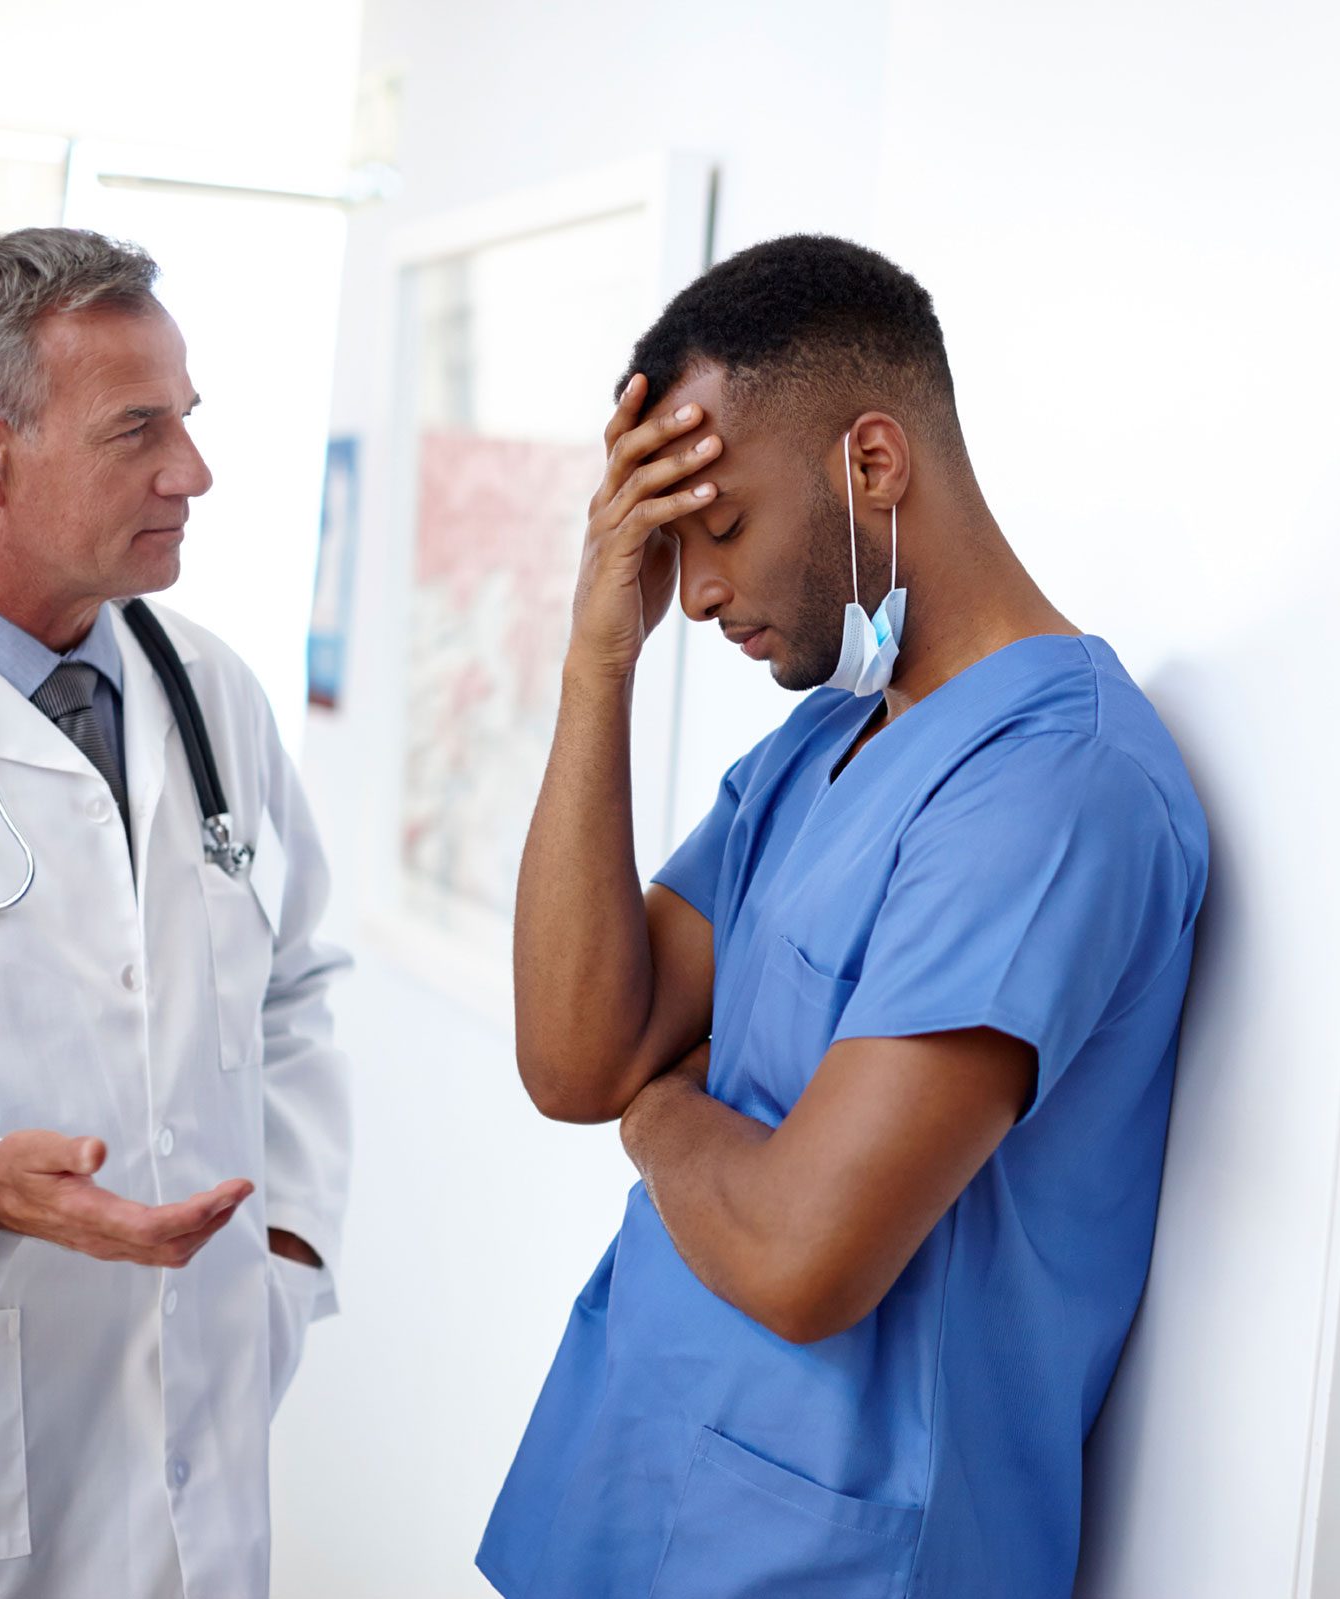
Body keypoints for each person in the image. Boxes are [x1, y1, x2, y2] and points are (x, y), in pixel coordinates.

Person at [478, 235, 1208, 1599]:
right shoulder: (820, 750)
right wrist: (596, 661)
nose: (694, 595)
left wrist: (664, 1114)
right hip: (628, 1497)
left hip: (834, 1558)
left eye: (723, 529)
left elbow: (800, 1255)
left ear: (872, 464)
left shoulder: (1057, 789)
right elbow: (577, 1062)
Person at [0, 228, 351, 1599]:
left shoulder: (210, 690)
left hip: (196, 1443)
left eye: (190, 419)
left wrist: (287, 1248)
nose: (195, 471)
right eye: (139, 430)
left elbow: (299, 990)